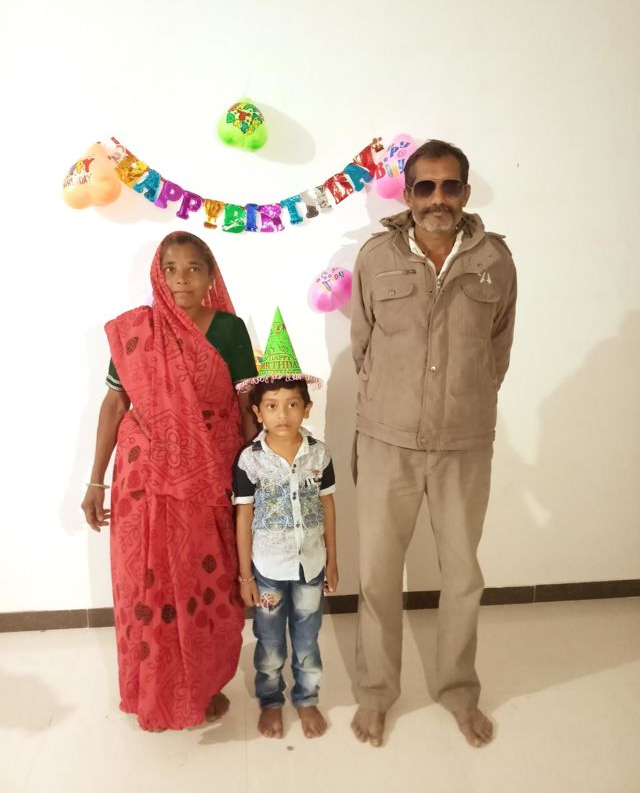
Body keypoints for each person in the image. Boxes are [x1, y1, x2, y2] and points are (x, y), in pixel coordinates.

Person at [350, 140, 517, 747]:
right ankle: (376, 693)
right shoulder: (376, 257)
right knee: (376, 575)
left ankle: (458, 691)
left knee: (463, 575)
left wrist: (463, 404)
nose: (438, 199)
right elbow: (363, 344)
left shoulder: (496, 261)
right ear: (409, 193)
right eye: (426, 186)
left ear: (465, 193)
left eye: (450, 186)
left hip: (463, 444)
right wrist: (394, 403)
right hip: (386, 441)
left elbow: (498, 348)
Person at [80, 230, 258, 731]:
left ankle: (203, 682)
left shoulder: (229, 330)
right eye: (171, 269)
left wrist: (257, 479)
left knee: (210, 580)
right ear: (157, 276)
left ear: (211, 276)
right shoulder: (139, 331)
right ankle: (155, 688)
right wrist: (95, 481)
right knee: (149, 585)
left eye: (194, 268)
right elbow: (115, 403)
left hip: (212, 473)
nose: (182, 279)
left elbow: (246, 407)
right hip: (145, 480)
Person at [233, 308, 338, 739]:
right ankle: (271, 701)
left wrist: (333, 560)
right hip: (268, 570)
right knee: (271, 641)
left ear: (306, 408)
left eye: (293, 404)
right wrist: (245, 576)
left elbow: (329, 507)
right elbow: (243, 516)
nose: (283, 414)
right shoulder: (250, 460)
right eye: (272, 406)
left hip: (311, 564)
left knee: (308, 639)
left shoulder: (320, 454)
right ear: (258, 412)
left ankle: (307, 699)